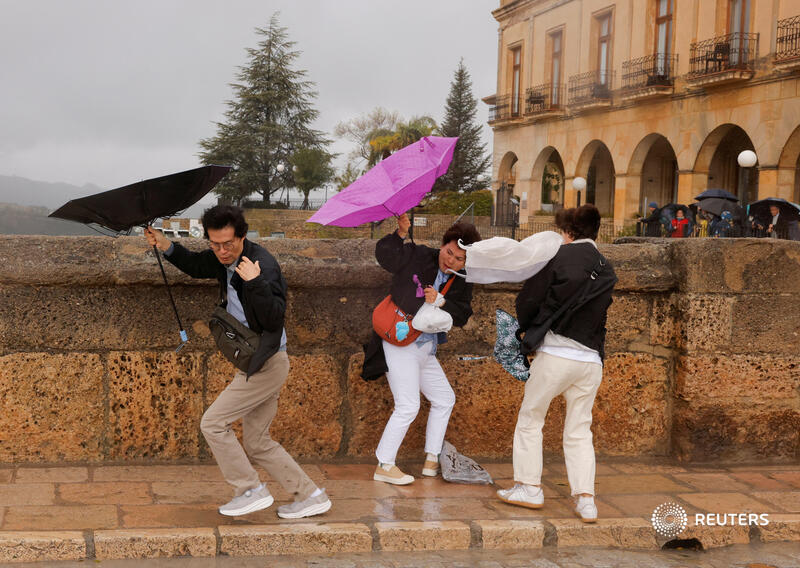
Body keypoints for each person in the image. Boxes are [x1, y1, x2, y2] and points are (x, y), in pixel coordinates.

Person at [145, 205, 330, 519]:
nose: (221, 250)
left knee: (213, 424)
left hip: (267, 363)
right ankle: (311, 495)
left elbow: (274, 319)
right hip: (259, 362)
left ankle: (249, 489)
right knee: (257, 442)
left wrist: (256, 283)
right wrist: (166, 245)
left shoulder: (263, 266)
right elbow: (195, 264)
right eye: (215, 244)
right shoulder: (223, 259)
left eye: (227, 243)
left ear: (243, 236)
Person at [497, 204, 617, 523]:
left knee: (531, 418)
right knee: (579, 429)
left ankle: (529, 487)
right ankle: (586, 500)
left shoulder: (558, 257)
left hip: (556, 355)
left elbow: (530, 299)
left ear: (567, 231)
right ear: (596, 231)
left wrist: (527, 328)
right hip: (590, 361)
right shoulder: (606, 267)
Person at [362, 214, 481, 485]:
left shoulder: (462, 279)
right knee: (407, 405)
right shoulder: (420, 255)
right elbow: (386, 258)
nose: (449, 260)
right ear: (443, 245)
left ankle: (432, 458)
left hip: (426, 348)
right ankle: (385, 463)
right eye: (448, 251)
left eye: (458, 258)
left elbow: (462, 314)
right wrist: (400, 233)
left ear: (466, 262)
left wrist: (440, 301)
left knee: (444, 398)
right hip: (399, 342)